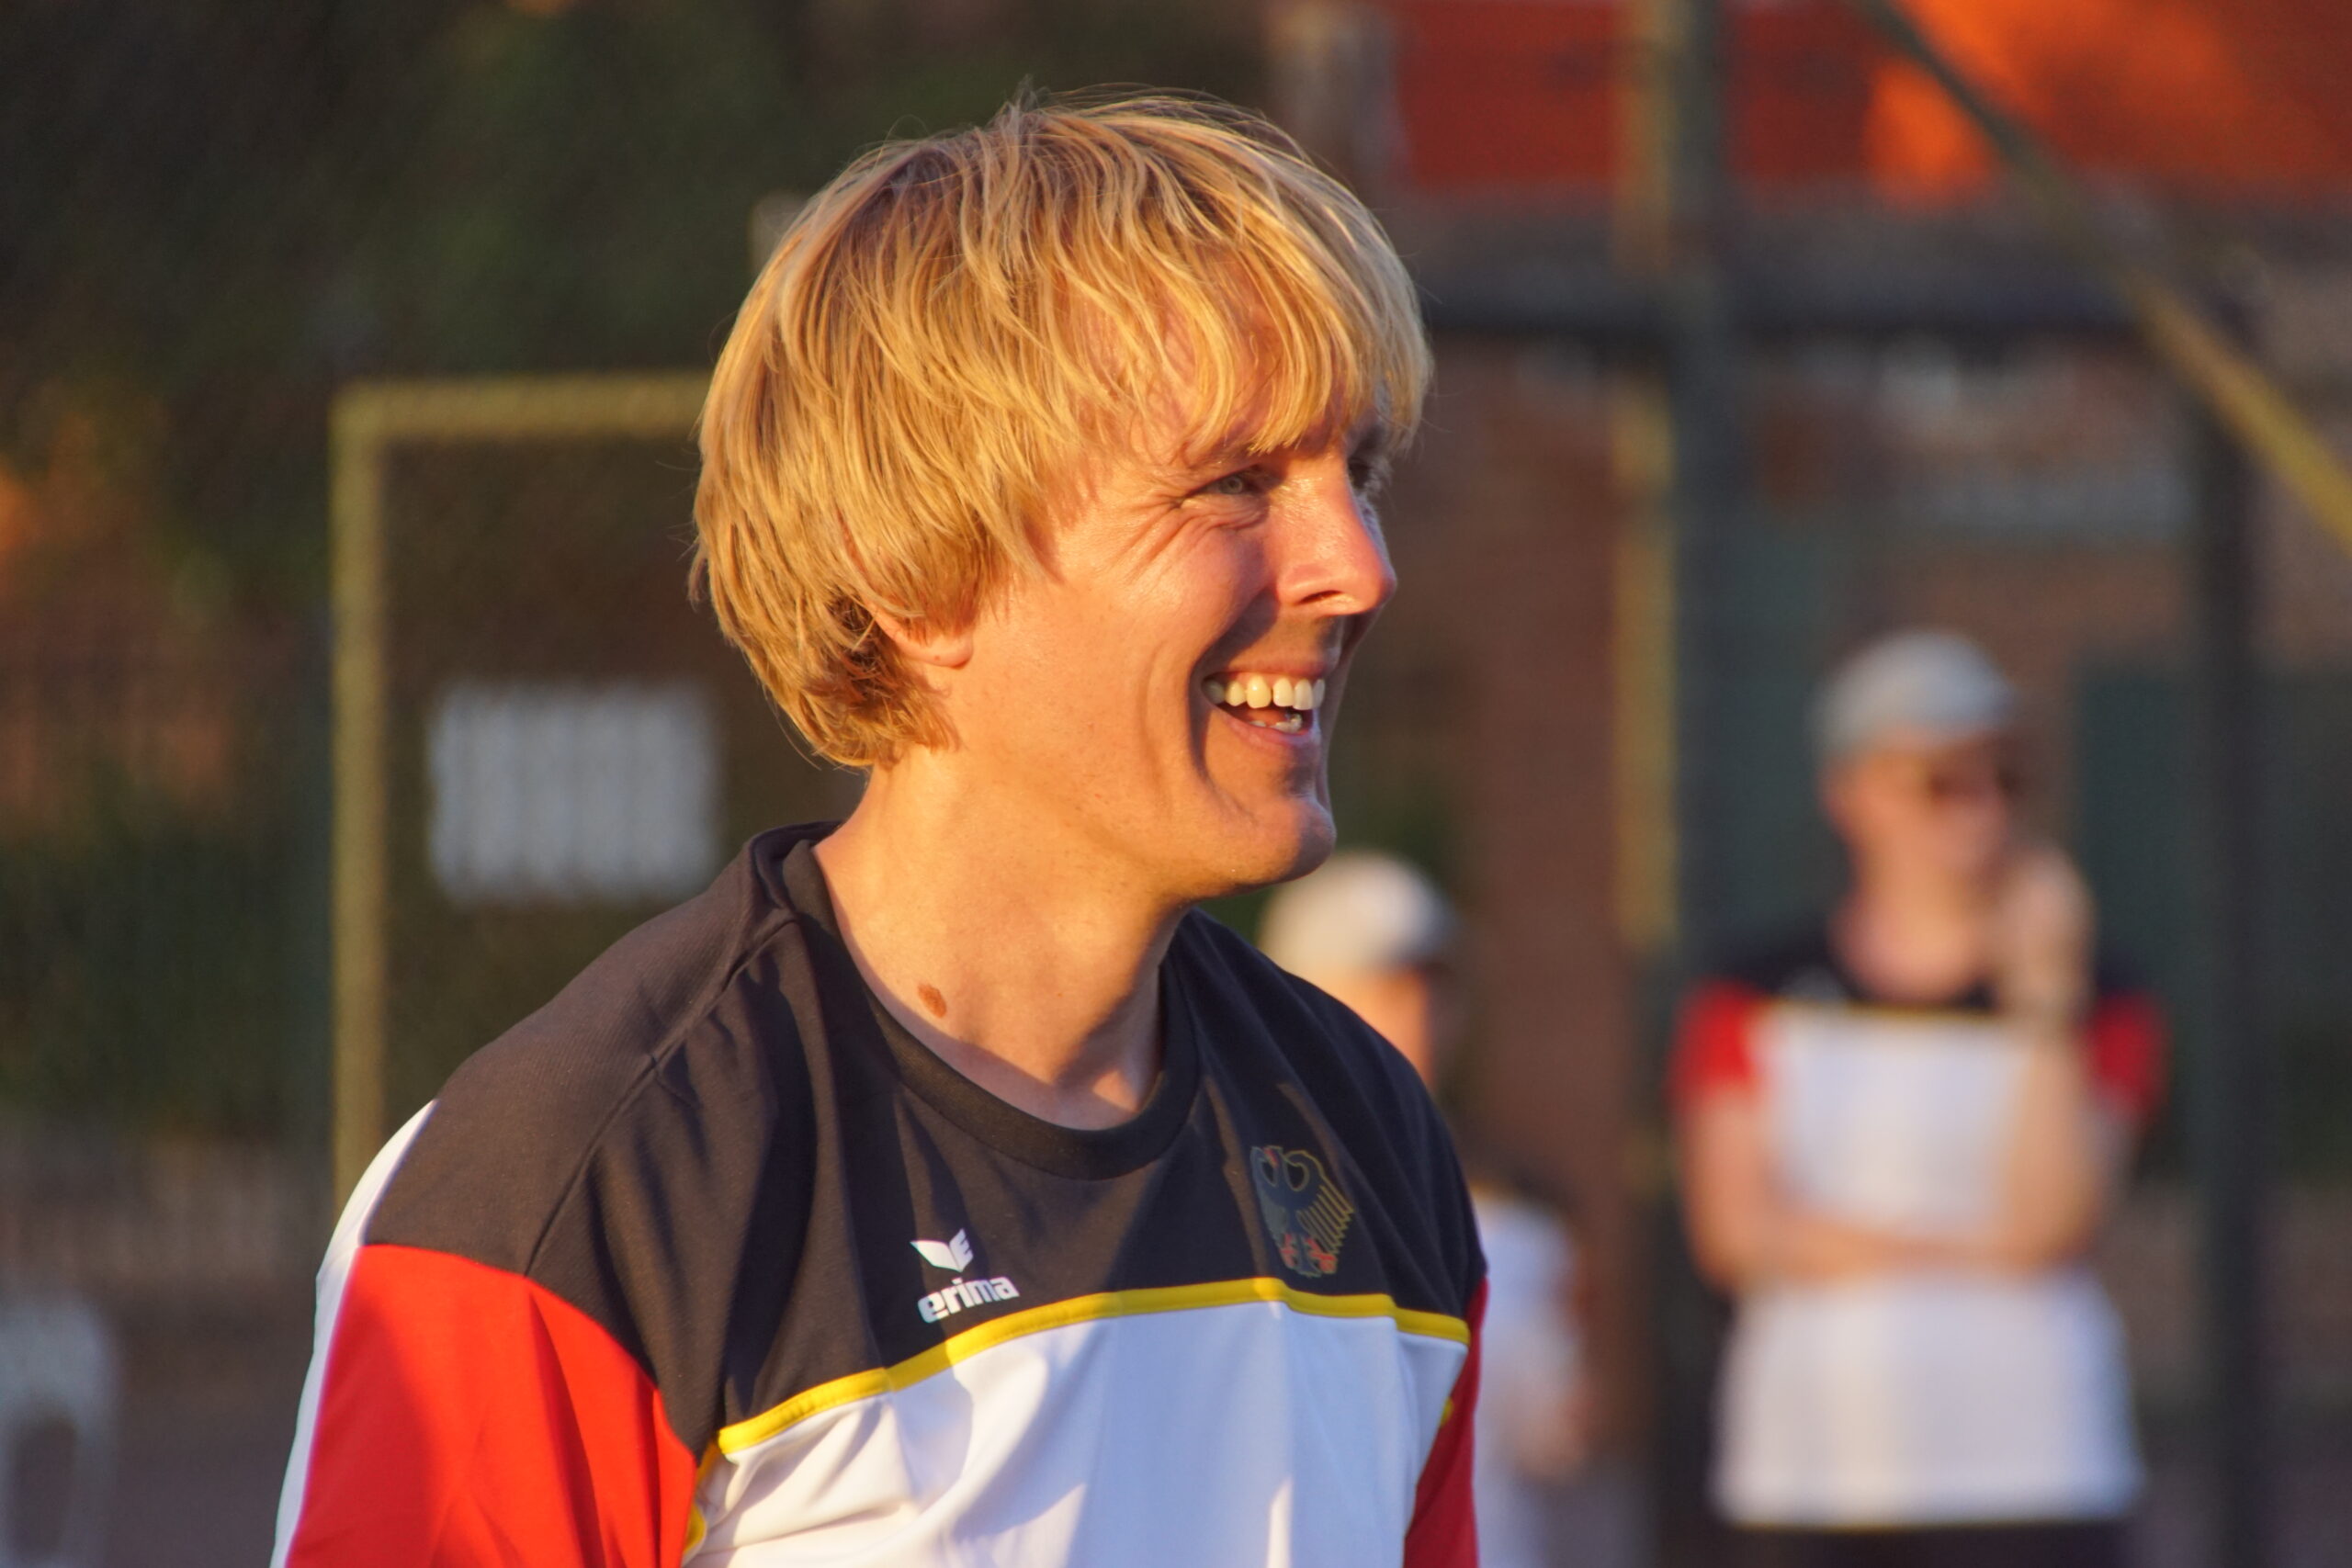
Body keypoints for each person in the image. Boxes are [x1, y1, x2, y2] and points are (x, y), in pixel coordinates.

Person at [270, 95, 1484, 1567]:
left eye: (1361, 474)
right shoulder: (586, 1183)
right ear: (919, 579)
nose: (1358, 564)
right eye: (1235, 483)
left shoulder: (1364, 1135)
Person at [1672, 631, 2166, 1568]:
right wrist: (1964, 1248)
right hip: (1811, 1470)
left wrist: (2042, 1000)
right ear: (1851, 794)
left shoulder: (2097, 993)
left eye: (2005, 778)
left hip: (2034, 1468)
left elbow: (2052, 1221)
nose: (1980, 811)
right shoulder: (1756, 989)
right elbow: (1737, 1233)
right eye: (1941, 781)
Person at [1262, 851, 1589, 1568]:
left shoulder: (1521, 1217)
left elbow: (1564, 1440)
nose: (1417, 1018)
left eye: (1433, 992)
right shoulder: (1227, 1204)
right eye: (1384, 990)